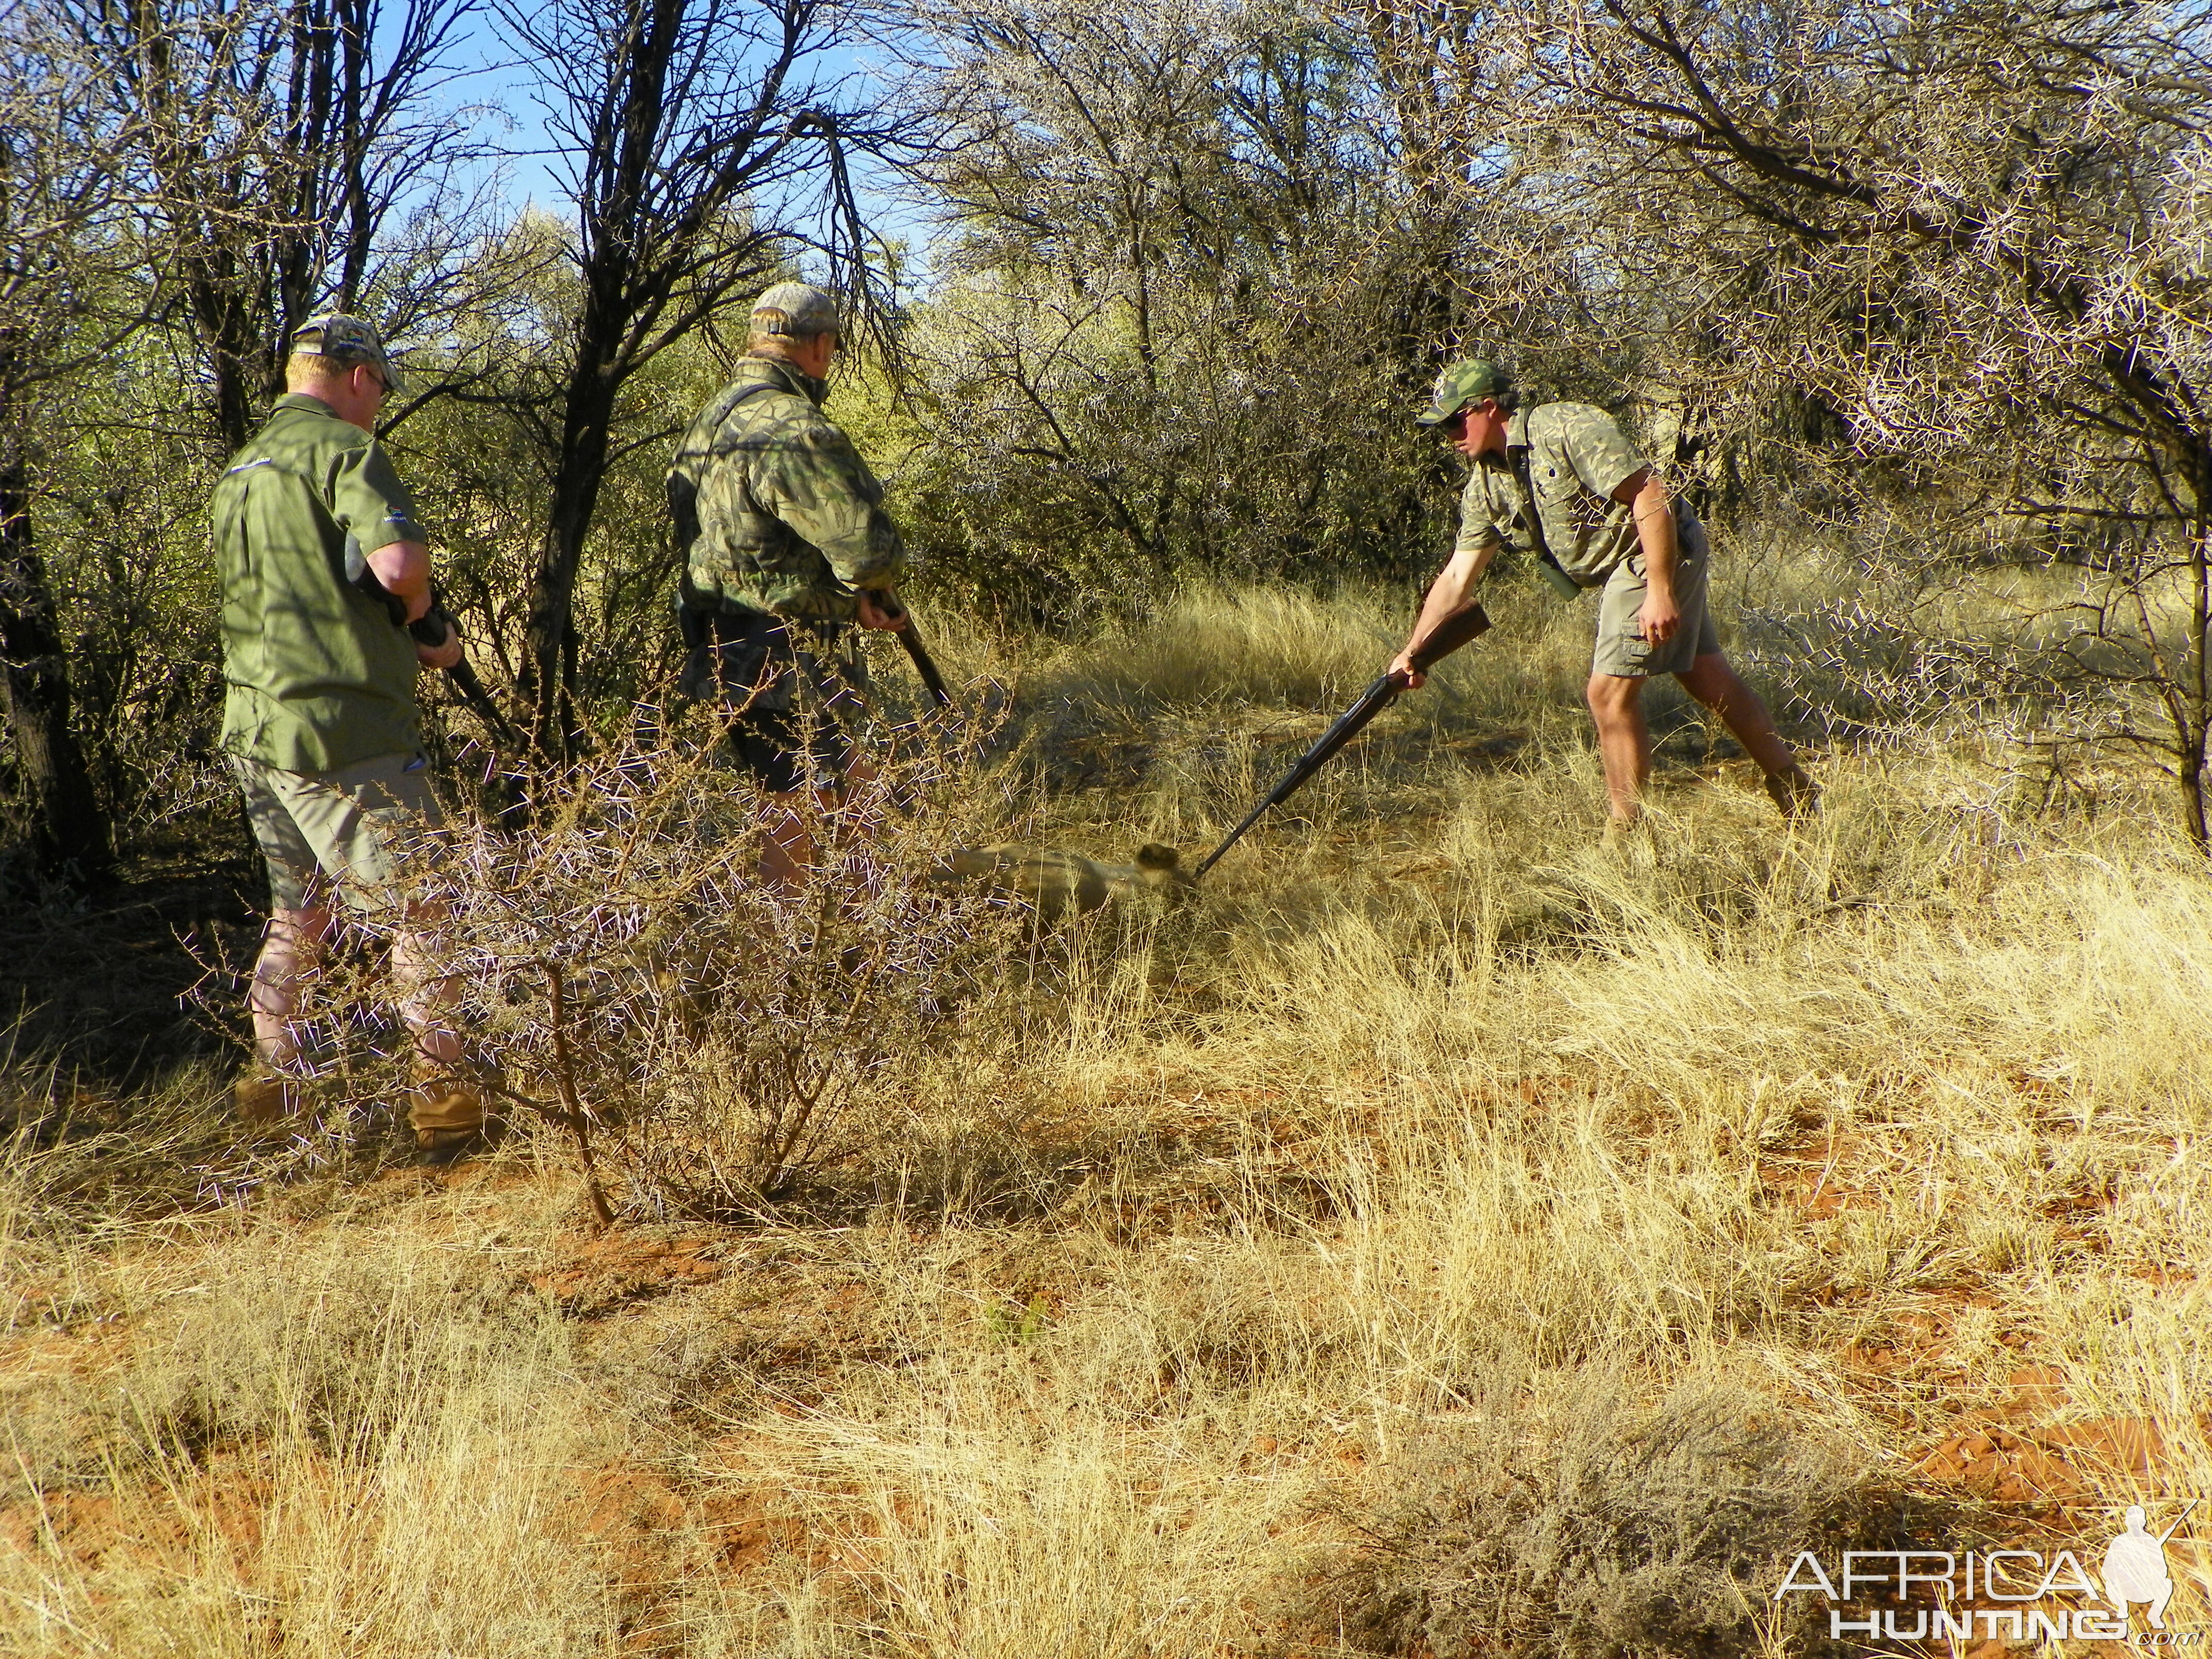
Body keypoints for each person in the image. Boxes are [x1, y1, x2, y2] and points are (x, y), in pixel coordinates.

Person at [212, 313, 487, 1163]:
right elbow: (399, 567)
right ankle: (447, 1111)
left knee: (303, 912)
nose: (377, 406)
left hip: (257, 727)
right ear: (359, 377)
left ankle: (276, 1095)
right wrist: (415, 612)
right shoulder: (342, 449)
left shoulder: (241, 470)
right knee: (425, 904)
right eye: (380, 391)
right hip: (343, 730)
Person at [1390, 359, 1816, 828]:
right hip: (1629, 565)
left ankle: (1625, 836)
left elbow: (1650, 494)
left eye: (1454, 421)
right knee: (1706, 677)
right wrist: (1415, 650)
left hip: (1652, 550)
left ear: (1488, 408)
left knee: (1607, 695)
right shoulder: (1485, 486)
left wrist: (1659, 590)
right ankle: (1794, 787)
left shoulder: (1566, 427)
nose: (1450, 434)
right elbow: (1457, 577)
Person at [666, 281, 909, 891]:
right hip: (789, 657)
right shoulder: (794, 425)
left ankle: (857, 953)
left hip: (720, 645)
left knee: (841, 797)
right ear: (820, 345)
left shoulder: (711, 420)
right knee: (799, 817)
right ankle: (778, 977)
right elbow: (863, 551)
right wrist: (867, 591)